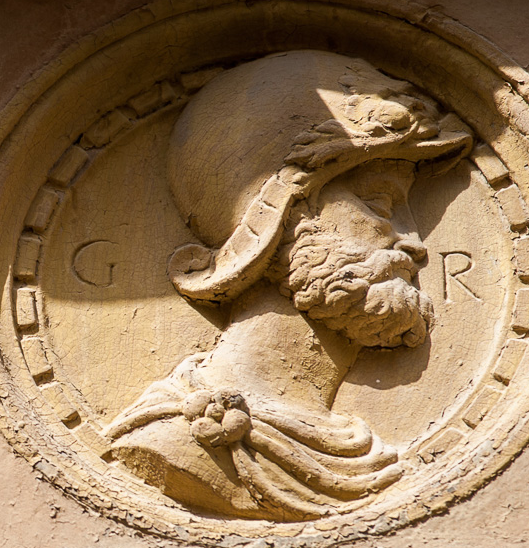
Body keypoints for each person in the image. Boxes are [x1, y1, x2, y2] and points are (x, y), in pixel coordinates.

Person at [103, 50, 473, 521]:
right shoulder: (171, 441)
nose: (415, 243)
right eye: (379, 203)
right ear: (289, 215)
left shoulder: (364, 453)